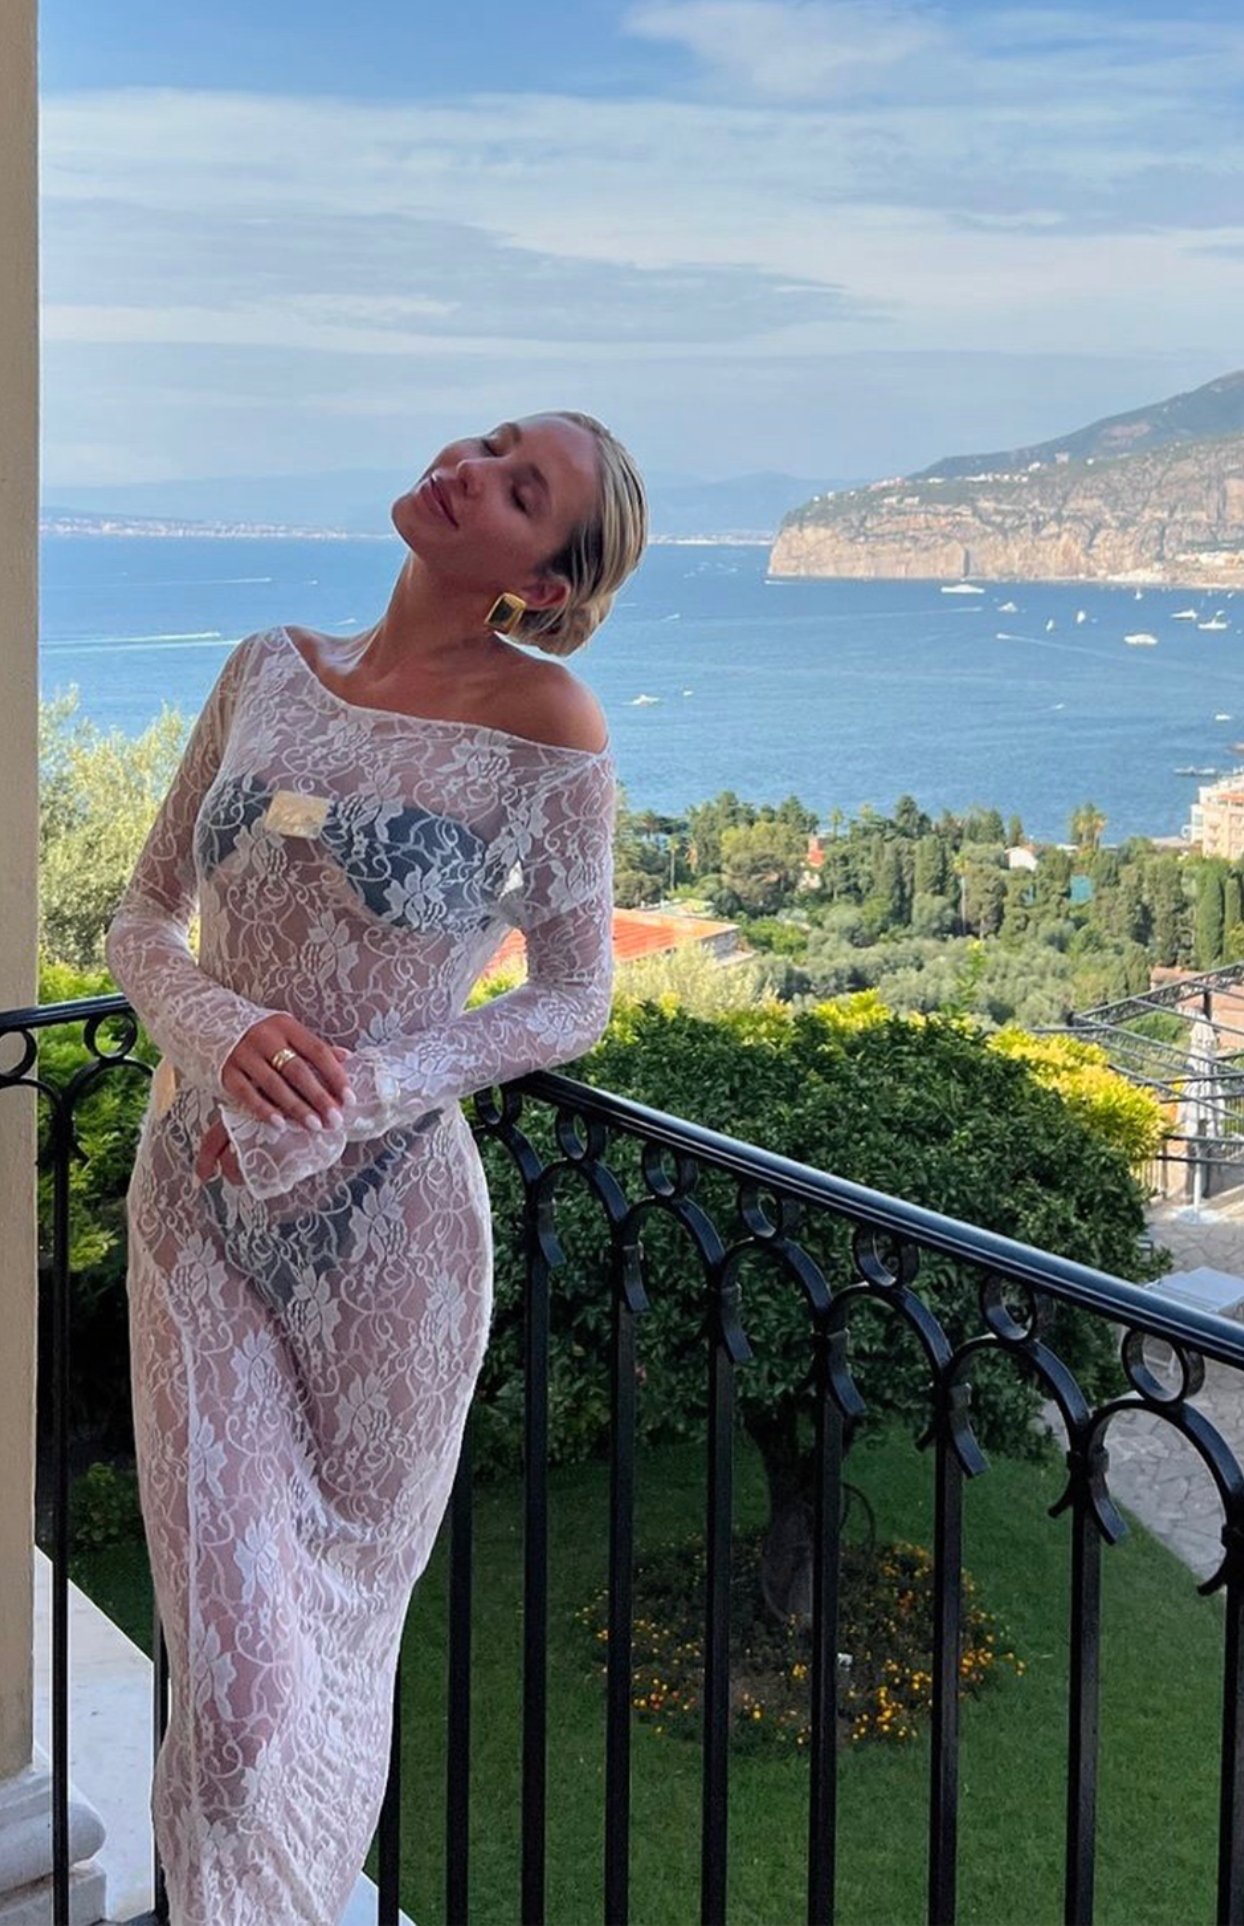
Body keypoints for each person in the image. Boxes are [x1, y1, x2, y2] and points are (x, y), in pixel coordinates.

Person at [106, 410, 647, 1926]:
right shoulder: (267, 670)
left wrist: (366, 1087)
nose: (469, 467)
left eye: (518, 485)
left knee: (339, 1637)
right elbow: (144, 917)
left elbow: (571, 991)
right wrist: (226, 1033)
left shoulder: (554, 729)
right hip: (197, 1199)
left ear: (541, 578)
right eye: (486, 443)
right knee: (235, 1691)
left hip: (392, 1242)